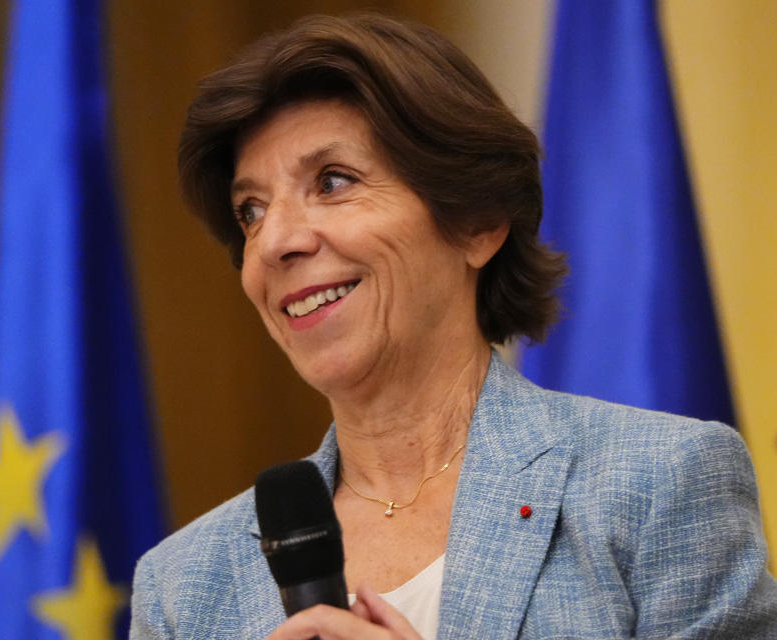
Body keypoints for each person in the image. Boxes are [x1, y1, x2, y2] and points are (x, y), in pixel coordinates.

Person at [130, 13, 777, 639]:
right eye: (250, 211)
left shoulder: (660, 483)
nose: (274, 243)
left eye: (332, 181)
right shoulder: (183, 585)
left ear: (476, 222)